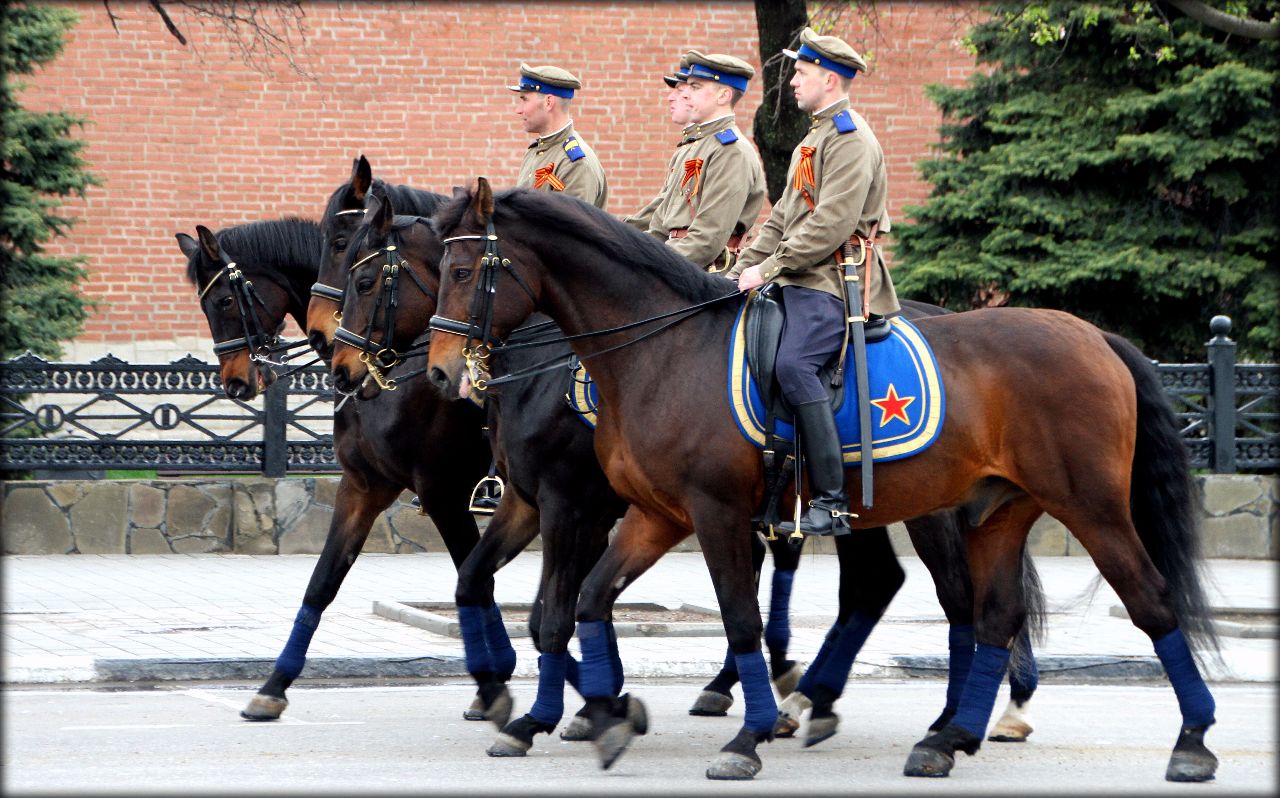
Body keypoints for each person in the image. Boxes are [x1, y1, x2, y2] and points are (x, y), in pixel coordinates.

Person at [728, 27, 900, 536]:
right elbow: (782, 218)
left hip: (831, 280)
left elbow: (831, 224)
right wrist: (740, 271)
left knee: (794, 364)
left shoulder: (849, 137)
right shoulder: (815, 137)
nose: (793, 83)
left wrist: (769, 269)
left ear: (829, 78)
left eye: (801, 74)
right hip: (798, 275)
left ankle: (832, 498)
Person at [626, 51, 765, 272]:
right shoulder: (697, 146)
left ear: (723, 96)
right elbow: (660, 224)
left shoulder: (730, 151)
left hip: (705, 273)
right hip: (679, 260)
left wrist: (649, 268)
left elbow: (707, 239)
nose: (685, 94)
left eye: (695, 87)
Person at [510, 63, 608, 209]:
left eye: (524, 100)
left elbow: (571, 229)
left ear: (548, 102)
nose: (518, 109)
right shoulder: (537, 151)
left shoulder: (575, 164)